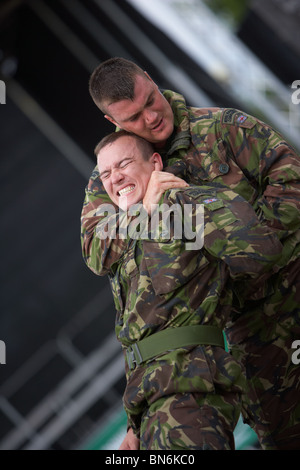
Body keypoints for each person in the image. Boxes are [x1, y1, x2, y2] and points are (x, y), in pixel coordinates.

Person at [81, 57, 300, 450]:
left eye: (151, 100)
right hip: (247, 340)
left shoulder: (222, 128)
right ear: (112, 120)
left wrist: (246, 246)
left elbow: (291, 181)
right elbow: (96, 250)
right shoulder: (113, 178)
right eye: (134, 116)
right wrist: (146, 211)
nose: (151, 117)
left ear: (150, 78)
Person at [94, 130, 283, 450]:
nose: (116, 178)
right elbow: (141, 332)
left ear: (155, 163)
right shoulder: (129, 242)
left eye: (124, 164)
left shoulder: (192, 201)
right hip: (153, 407)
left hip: (189, 390)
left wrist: (166, 211)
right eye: (106, 173)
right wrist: (135, 424)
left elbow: (261, 251)